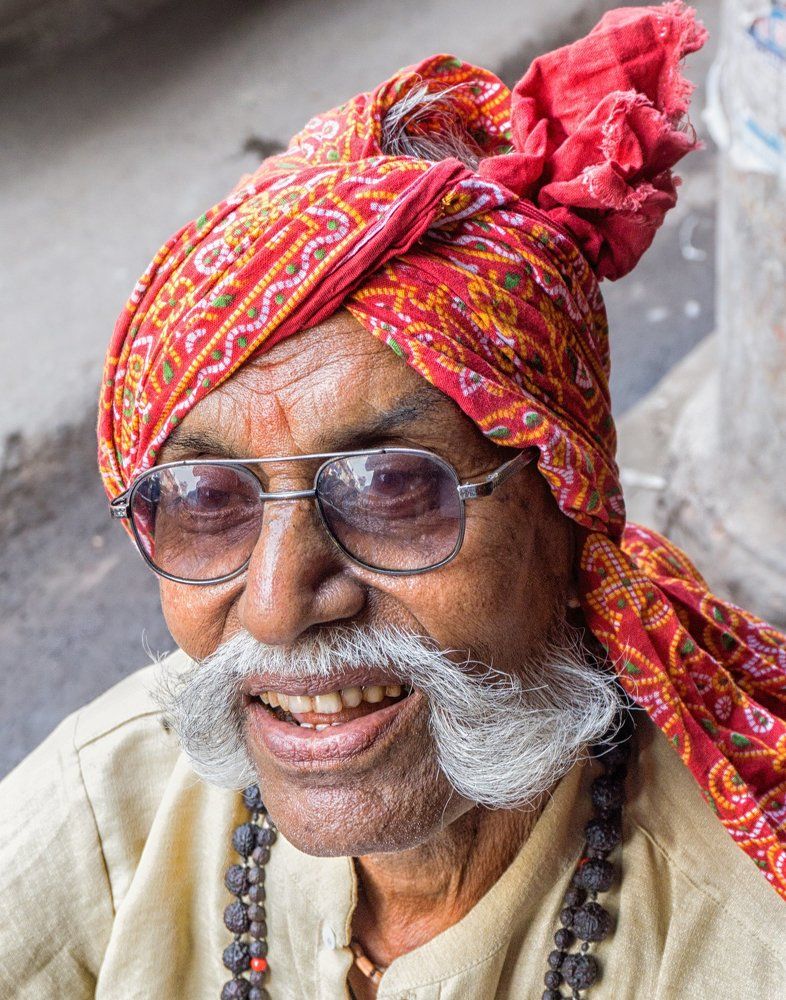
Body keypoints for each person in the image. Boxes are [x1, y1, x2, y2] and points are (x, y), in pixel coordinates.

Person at [2, 4, 785, 998]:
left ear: (566, 513)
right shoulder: (119, 801)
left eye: (390, 488)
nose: (279, 603)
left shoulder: (740, 947)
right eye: (206, 498)